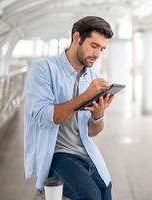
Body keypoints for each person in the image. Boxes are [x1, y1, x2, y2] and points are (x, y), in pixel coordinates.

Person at [24, 16, 115, 200]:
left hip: (85, 150)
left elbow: (92, 132)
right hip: (57, 154)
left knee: (106, 191)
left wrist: (98, 115)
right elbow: (46, 116)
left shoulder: (94, 76)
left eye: (102, 49)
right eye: (94, 45)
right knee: (90, 196)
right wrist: (86, 95)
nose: (97, 54)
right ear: (76, 38)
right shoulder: (43, 69)